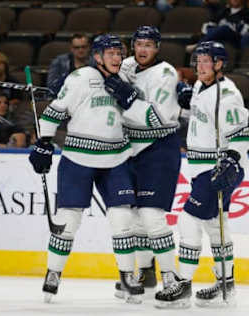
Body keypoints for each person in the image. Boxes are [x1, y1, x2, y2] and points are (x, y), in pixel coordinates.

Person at [28, 34, 143, 304]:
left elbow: (140, 112)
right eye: (111, 53)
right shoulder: (80, 78)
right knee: (68, 221)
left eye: (119, 53)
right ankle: (53, 272)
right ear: (98, 56)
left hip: (116, 159)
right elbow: (53, 113)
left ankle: (127, 275)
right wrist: (44, 143)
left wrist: (133, 96)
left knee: (122, 220)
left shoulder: (126, 79)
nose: (117, 58)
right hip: (78, 159)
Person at [155, 41, 249, 308]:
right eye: (198, 60)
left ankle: (183, 284)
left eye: (206, 61)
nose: (200, 65)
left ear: (220, 64)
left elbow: (241, 134)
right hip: (203, 169)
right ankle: (226, 282)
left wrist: (230, 161)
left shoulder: (228, 95)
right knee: (215, 226)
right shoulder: (201, 86)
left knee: (188, 220)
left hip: (216, 169)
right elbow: (201, 116)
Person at [106, 26, 183, 301]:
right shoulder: (126, 65)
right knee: (136, 216)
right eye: (138, 44)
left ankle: (172, 279)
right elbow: (103, 72)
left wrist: (128, 98)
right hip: (132, 148)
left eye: (149, 45)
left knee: (152, 215)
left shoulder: (166, 74)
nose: (143, 49)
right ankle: (146, 272)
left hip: (159, 147)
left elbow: (157, 118)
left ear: (158, 47)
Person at [185, 0, 249, 53]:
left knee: (224, 28)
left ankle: (198, 46)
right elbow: (207, 26)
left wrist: (228, 28)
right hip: (218, 39)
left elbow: (245, 33)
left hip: (236, 41)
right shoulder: (223, 11)